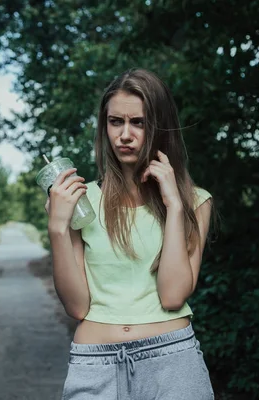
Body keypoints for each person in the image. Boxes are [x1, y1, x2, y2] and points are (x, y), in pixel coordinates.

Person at [45, 68, 215, 399]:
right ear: (104, 126)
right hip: (96, 365)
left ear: (159, 126)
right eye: (115, 122)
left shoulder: (195, 202)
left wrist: (175, 208)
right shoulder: (79, 202)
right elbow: (77, 306)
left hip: (172, 364)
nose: (125, 134)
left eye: (138, 122)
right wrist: (57, 228)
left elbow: (173, 296)